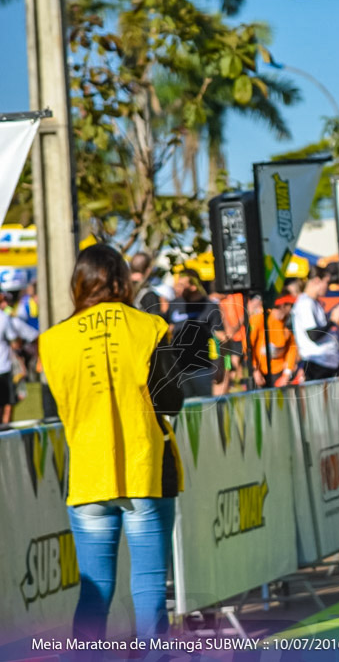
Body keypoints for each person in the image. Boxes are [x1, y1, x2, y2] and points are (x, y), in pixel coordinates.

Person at [38, 244, 184, 640]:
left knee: (94, 592)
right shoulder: (149, 326)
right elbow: (172, 399)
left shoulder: (52, 341)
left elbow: (58, 407)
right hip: (146, 470)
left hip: (87, 475)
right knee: (150, 590)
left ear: (78, 284)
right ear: (122, 281)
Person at [167, 268, 225, 399]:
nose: (177, 288)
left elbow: (223, 340)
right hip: (178, 370)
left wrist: (223, 367)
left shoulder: (210, 306)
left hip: (203, 369)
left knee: (206, 411)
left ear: (193, 286)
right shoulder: (174, 304)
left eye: (182, 285)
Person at [292, 265, 339, 380]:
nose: (328, 287)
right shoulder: (306, 303)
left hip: (326, 363)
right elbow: (313, 335)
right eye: (326, 282)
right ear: (317, 281)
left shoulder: (313, 302)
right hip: (318, 364)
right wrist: (333, 320)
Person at [249, 295, 300, 387]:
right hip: (260, 372)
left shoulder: (288, 322)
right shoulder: (260, 318)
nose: (292, 309)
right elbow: (248, 346)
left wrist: (286, 374)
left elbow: (292, 349)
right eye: (290, 306)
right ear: (282, 306)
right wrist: (255, 370)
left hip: (278, 372)